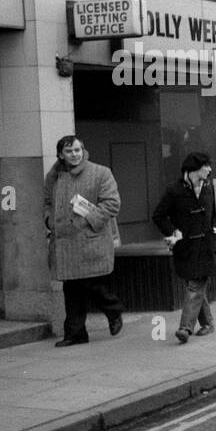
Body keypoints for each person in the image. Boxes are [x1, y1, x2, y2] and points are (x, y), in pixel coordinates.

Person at [43, 135, 125, 347]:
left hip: (89, 239)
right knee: (71, 289)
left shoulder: (100, 173)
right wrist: (49, 220)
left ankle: (113, 309)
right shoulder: (53, 176)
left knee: (92, 284)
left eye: (78, 150)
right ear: (61, 154)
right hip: (64, 243)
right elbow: (46, 202)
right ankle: (75, 333)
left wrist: (90, 219)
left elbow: (112, 204)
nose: (75, 155)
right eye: (69, 151)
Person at [152, 152, 216, 343]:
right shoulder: (174, 190)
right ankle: (208, 323)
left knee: (195, 286)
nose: (210, 169)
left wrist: (214, 233)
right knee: (194, 286)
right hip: (185, 246)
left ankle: (185, 328)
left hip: (206, 246)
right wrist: (173, 232)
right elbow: (158, 216)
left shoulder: (208, 186)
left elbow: (214, 214)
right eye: (206, 166)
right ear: (194, 169)